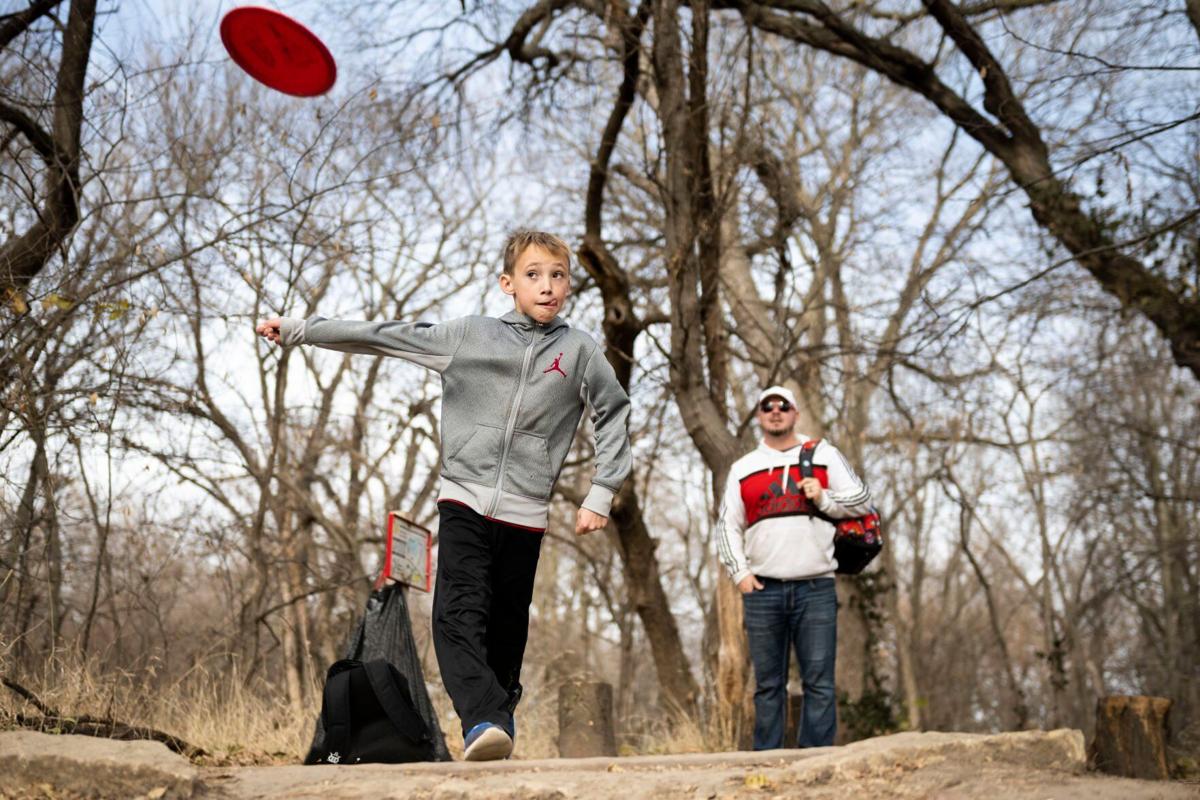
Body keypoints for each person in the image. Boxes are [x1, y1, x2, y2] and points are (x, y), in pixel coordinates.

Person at [256, 230, 632, 761]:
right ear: (508, 284)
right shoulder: (469, 336)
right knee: (457, 612)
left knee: (506, 625)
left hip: (526, 510)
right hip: (465, 497)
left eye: (558, 275)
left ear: (568, 284)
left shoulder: (580, 351)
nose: (547, 286)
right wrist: (300, 330)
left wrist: (601, 490)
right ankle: (481, 719)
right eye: (533, 275)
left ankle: (498, 714)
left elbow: (613, 411)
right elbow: (383, 336)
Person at [716, 385, 872, 750]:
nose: (775, 411)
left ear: (795, 413)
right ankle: (765, 764)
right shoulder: (743, 468)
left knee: (819, 682)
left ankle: (815, 761)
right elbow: (727, 525)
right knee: (768, 685)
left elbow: (862, 501)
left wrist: (824, 497)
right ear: (758, 416)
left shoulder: (822, 454)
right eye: (767, 406)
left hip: (815, 587)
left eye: (782, 406)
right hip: (763, 590)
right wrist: (740, 573)